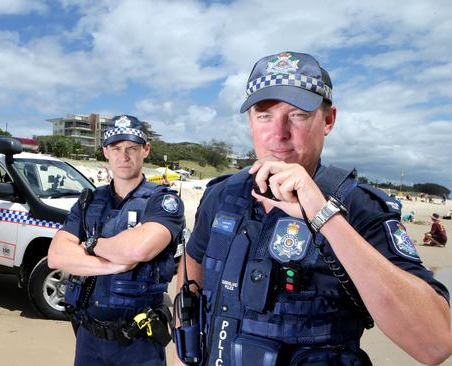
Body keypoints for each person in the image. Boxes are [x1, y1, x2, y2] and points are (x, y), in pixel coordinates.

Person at [175, 51, 452, 365]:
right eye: (264, 115)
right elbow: (192, 270)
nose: (278, 133)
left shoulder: (360, 207)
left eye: (297, 114)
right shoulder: (222, 195)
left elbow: (435, 343)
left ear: (329, 120)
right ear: (251, 121)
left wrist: (324, 216)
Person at [48, 114, 185, 366]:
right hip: (89, 338)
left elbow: (138, 250)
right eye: (116, 148)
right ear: (105, 152)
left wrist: (88, 244)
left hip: (138, 342)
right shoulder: (89, 201)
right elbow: (57, 255)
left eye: (132, 148)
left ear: (146, 150)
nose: (124, 156)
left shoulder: (163, 202)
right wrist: (113, 264)